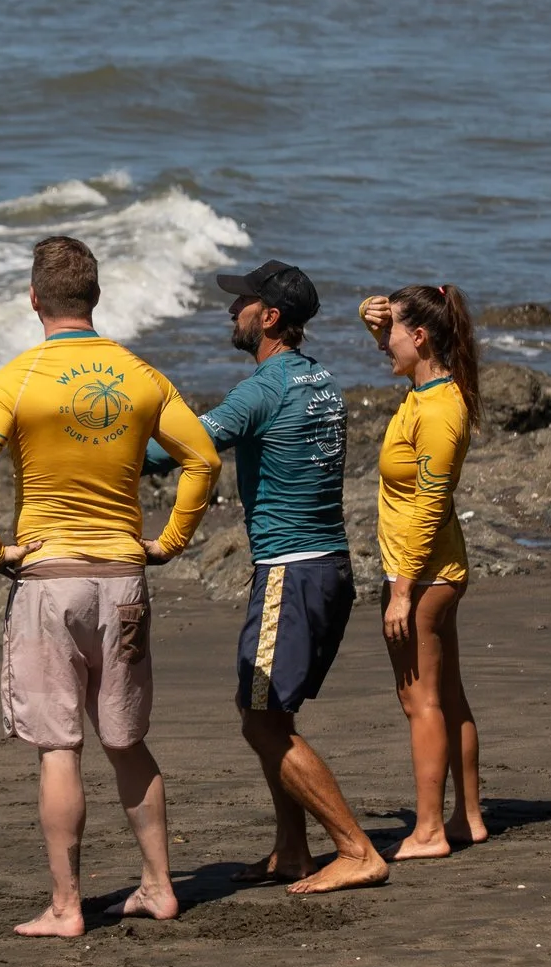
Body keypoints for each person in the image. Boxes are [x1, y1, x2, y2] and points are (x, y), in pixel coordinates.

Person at [0, 235, 223, 938]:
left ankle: (68, 906)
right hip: (123, 578)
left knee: (59, 745)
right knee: (126, 739)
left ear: (34, 297)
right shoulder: (138, 374)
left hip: (49, 580)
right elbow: (202, 458)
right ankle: (160, 886)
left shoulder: (17, 377)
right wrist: (169, 540)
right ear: (96, 297)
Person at [145, 260, 386, 894]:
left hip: (292, 574)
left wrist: (101, 448)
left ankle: (357, 849)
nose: (232, 312)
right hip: (326, 569)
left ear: (270, 317)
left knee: (262, 721)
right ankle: (291, 850)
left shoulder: (263, 389)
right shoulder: (320, 380)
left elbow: (184, 448)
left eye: (243, 303)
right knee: (264, 711)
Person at [359, 284, 486, 860]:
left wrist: (401, 593)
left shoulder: (438, 412)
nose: (384, 344)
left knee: (422, 703)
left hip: (425, 575)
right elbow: (398, 355)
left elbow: (432, 505)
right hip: (436, 570)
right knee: (448, 697)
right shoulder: (428, 390)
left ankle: (431, 829)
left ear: (421, 336)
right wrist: (371, 316)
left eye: (391, 334)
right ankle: (469, 819)